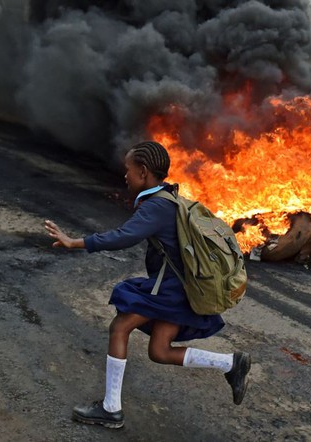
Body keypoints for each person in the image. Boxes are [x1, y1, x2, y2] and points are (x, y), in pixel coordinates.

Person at [43, 141, 251, 429]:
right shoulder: (169, 196)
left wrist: (75, 242)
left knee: (120, 326)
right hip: (182, 286)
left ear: (143, 172)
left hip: (171, 289)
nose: (125, 175)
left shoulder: (156, 206)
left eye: (128, 170)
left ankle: (111, 409)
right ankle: (231, 364)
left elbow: (122, 237)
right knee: (160, 351)